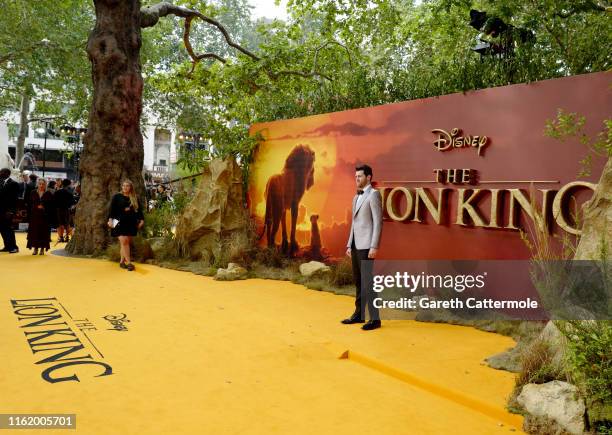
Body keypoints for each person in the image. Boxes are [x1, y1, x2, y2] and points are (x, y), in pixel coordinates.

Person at [342, 164, 383, 331]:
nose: (357, 179)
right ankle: (359, 314)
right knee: (359, 281)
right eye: (356, 176)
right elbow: (354, 223)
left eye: (360, 176)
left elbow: (378, 222)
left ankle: (375, 319)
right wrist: (349, 243)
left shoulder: (374, 195)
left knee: (368, 282)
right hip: (355, 244)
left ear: (369, 177)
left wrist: (374, 246)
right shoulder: (355, 197)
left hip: (367, 245)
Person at [107, 180, 144, 271]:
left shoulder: (134, 197)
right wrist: (110, 220)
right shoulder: (117, 197)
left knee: (125, 243)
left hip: (130, 222)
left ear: (131, 187)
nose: (125, 187)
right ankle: (129, 263)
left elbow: (139, 211)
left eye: (127, 186)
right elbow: (111, 210)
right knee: (124, 241)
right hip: (118, 221)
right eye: (123, 186)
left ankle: (122, 261)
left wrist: (142, 220)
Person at [27, 178, 53, 255]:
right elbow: (29, 204)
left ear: (46, 185)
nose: (41, 185)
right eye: (40, 184)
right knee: (35, 232)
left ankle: (42, 249)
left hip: (45, 217)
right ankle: (35, 248)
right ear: (37, 184)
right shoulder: (33, 192)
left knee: (43, 232)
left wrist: (44, 207)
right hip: (34, 216)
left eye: (43, 184)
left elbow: (52, 206)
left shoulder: (48, 193)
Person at [0, 168, 20, 253]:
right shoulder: (0, 182)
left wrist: (11, 211)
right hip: (0, 210)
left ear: (7, 173)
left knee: (9, 229)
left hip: (8, 211)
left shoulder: (14, 184)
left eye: (1, 172)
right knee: (2, 229)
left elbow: (15, 199)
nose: (0, 173)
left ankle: (14, 247)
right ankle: (7, 246)